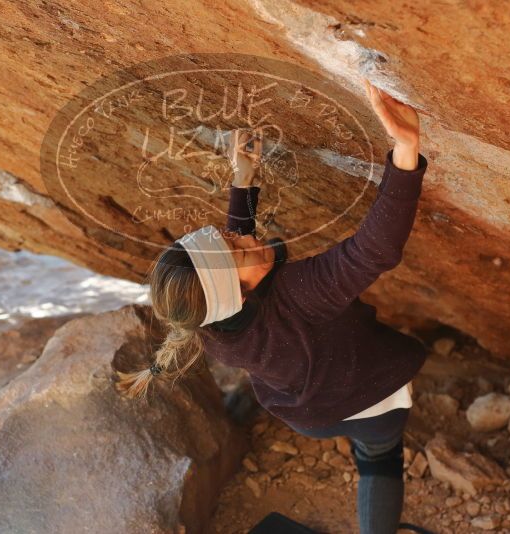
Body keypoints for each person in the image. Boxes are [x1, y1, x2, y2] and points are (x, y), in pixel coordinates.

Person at [116, 78, 432, 534]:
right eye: (239, 246)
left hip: (309, 415)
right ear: (239, 293)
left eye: (227, 234)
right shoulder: (298, 294)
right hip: (374, 398)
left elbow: (229, 270)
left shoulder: (209, 323)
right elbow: (372, 251)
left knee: (363, 444)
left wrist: (242, 183)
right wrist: (406, 152)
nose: (247, 236)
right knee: (379, 456)